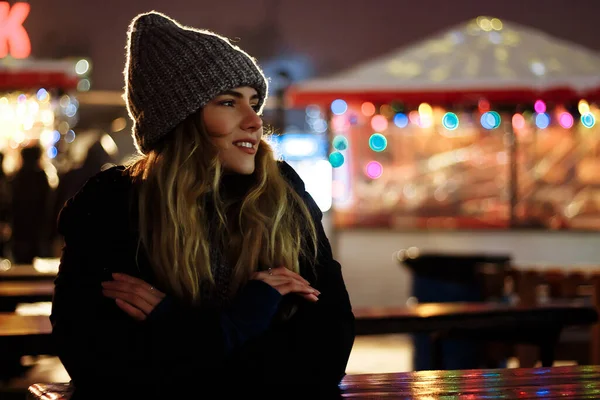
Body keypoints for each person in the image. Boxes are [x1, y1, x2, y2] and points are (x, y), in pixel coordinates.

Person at [50, 11, 355, 398]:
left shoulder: (283, 197)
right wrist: (239, 324)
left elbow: (325, 356)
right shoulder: (114, 205)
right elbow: (96, 362)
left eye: (254, 103)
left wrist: (174, 333)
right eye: (229, 103)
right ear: (180, 119)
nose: (254, 121)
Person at [11, 145, 52, 263]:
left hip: (20, 226)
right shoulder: (40, 177)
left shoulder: (18, 176)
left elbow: (13, 203)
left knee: (21, 259)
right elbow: (47, 203)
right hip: (37, 226)